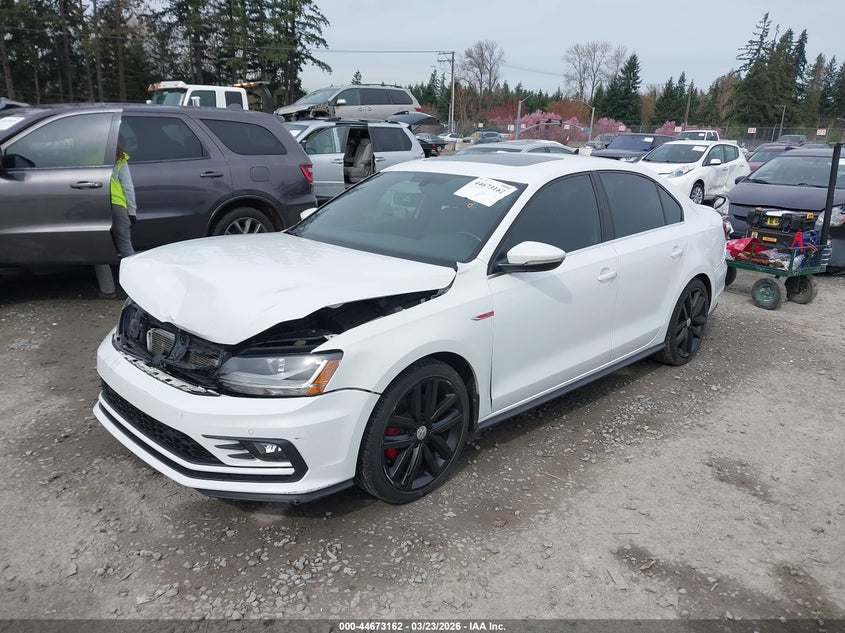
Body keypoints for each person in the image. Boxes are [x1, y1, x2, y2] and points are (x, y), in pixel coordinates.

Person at [95, 142, 137, 298]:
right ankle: (137, 290)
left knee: (99, 250)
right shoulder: (119, 158)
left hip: (96, 204)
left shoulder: (86, 154)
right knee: (126, 247)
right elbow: (127, 186)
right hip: (117, 204)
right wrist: (132, 211)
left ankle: (108, 290)